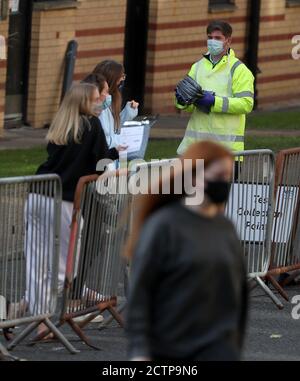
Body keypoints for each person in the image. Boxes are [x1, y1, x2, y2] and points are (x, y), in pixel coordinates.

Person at [125, 140, 248, 361]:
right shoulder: (164, 226)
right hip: (171, 349)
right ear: (194, 176)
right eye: (219, 176)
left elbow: (239, 293)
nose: (224, 184)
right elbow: (141, 293)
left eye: (228, 178)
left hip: (218, 350)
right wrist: (140, 352)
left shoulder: (226, 228)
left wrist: (234, 345)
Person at [24, 81, 125, 336]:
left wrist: (110, 153)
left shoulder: (63, 125)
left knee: (36, 261)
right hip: (65, 201)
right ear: (84, 103)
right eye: (95, 99)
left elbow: (77, 157)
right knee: (64, 267)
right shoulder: (92, 126)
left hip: (39, 194)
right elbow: (98, 165)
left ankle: (39, 320)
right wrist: (117, 168)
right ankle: (41, 319)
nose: (101, 102)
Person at [175, 20, 254, 157]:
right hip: (195, 149)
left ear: (228, 41)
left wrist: (214, 102)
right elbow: (188, 107)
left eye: (217, 38)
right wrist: (181, 101)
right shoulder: (197, 67)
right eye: (210, 37)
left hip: (225, 152)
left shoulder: (239, 70)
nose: (212, 41)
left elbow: (246, 104)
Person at [91, 60, 139, 152]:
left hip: (113, 154)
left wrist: (127, 113)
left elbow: (114, 129)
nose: (122, 79)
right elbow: (103, 133)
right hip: (103, 157)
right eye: (120, 76)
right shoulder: (96, 105)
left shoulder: (110, 100)